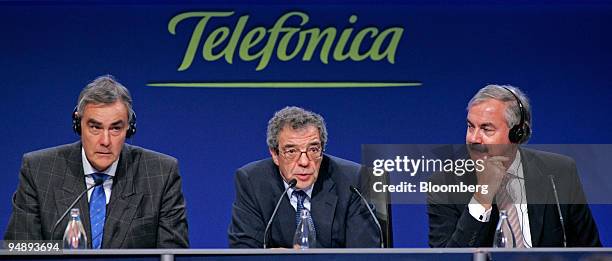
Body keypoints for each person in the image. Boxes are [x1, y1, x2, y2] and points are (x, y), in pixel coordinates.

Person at [4, 75, 189, 248]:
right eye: (95, 127)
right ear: (78, 125)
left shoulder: (160, 174)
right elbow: (22, 250)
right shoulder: (39, 171)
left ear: (129, 129)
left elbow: (172, 255)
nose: (105, 141)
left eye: (116, 128)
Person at [427, 84, 601, 247]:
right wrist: (482, 198)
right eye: (470, 127)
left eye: (486, 129)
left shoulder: (559, 172)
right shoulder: (445, 183)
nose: (473, 138)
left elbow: (592, 253)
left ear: (517, 133)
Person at [228, 106, 380, 248]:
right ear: (275, 154)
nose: (304, 162)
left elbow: (364, 254)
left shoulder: (352, 180)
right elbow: (244, 251)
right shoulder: (252, 181)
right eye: (291, 151)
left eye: (313, 149)